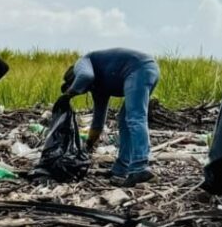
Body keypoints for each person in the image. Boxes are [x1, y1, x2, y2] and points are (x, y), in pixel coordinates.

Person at [61, 48, 160, 187]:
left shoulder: (82, 63)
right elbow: (98, 122)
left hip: (139, 68)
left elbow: (85, 77)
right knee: (124, 120)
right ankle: (121, 169)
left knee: (135, 117)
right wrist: (88, 144)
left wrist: (68, 96)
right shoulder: (98, 87)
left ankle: (140, 167)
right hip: (145, 70)